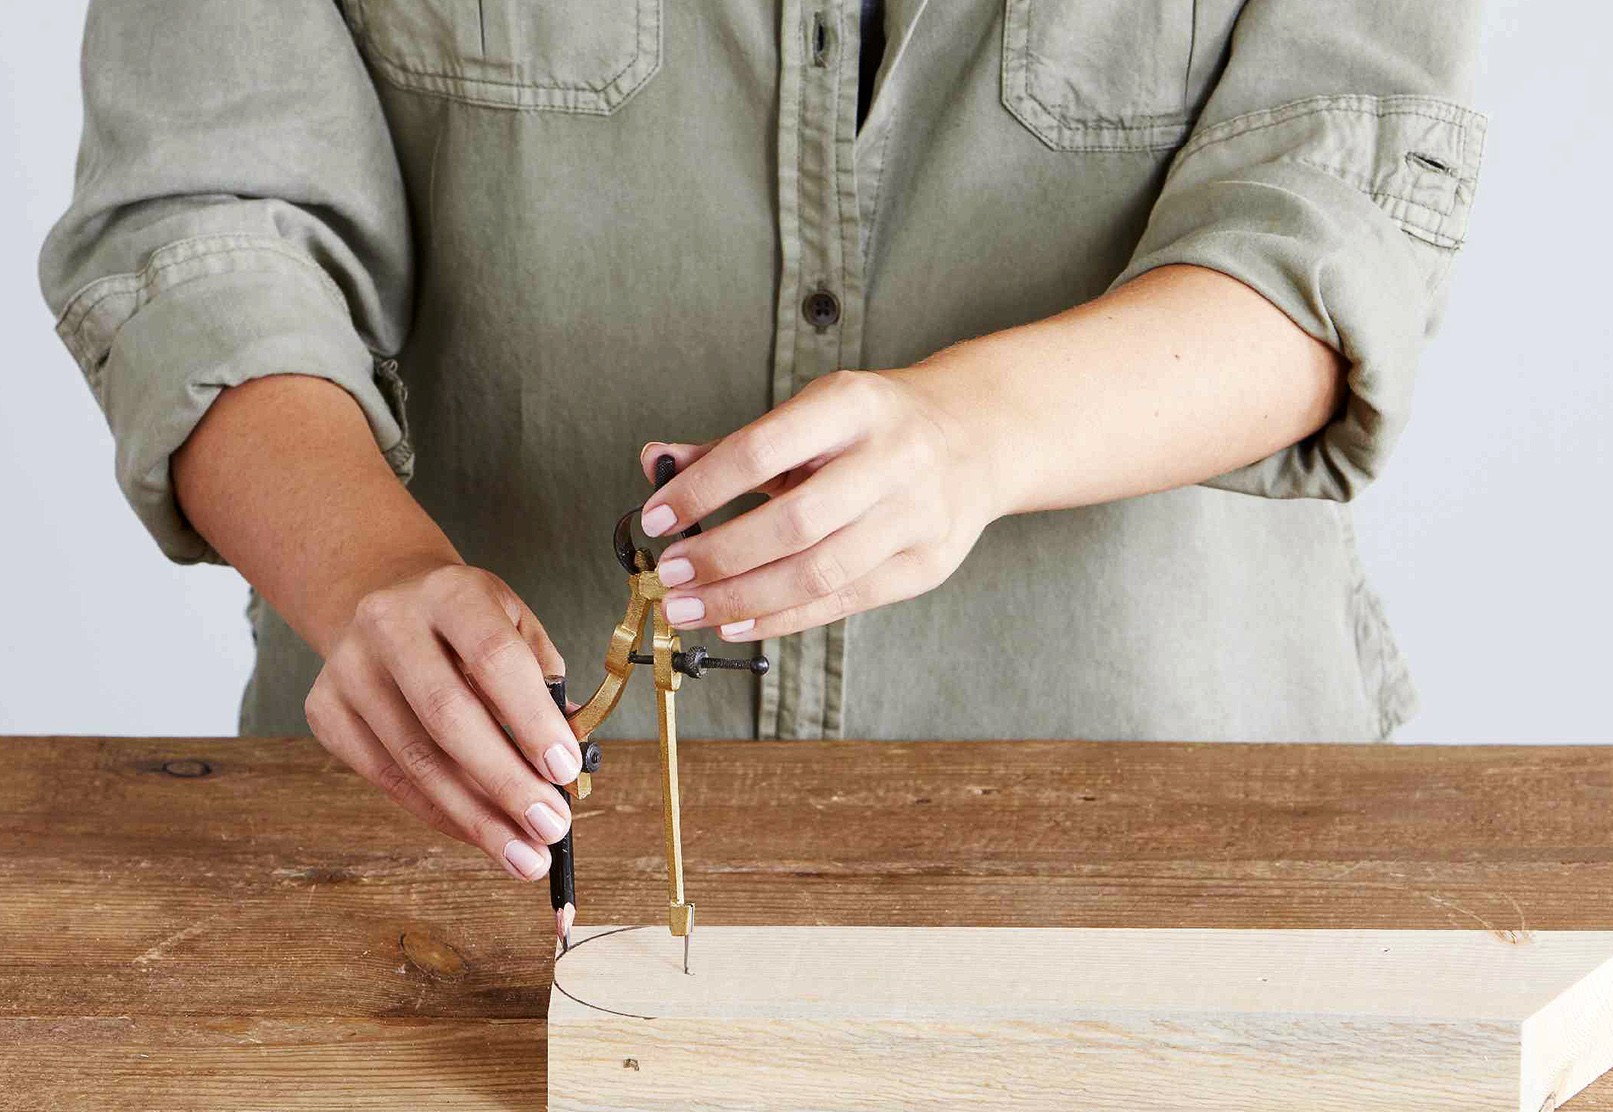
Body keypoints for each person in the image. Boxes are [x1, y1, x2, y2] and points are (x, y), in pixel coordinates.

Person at [41, 0, 1486, 884]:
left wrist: (977, 436)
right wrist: (361, 571)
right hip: (439, 885)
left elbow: (1344, 225)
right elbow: (200, 222)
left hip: (1166, 851)